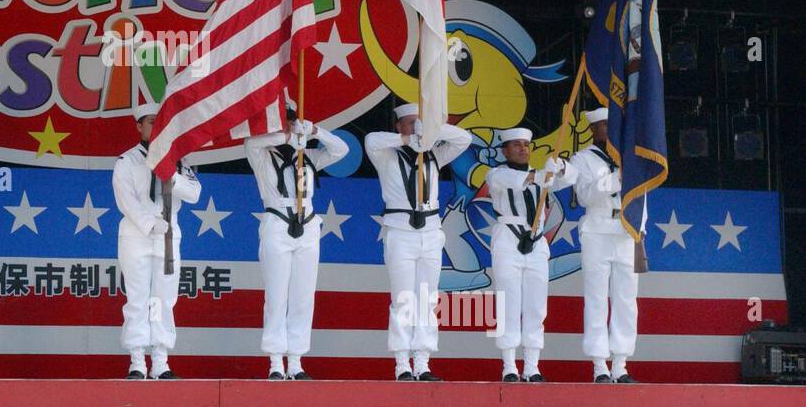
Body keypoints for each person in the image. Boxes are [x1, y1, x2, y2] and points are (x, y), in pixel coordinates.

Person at [365, 103, 471, 381]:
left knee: (426, 299)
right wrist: (407, 139)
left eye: (418, 123)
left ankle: (422, 362)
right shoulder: (386, 155)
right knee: (402, 298)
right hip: (400, 230)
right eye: (410, 123)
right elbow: (370, 140)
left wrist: (434, 129)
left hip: (430, 230)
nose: (415, 128)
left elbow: (464, 139)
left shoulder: (435, 153)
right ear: (398, 126)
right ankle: (402, 363)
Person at [245, 111, 348, 379]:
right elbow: (250, 143)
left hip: (308, 223)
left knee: (303, 296)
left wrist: (314, 132)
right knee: (277, 294)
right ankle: (276, 362)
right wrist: (287, 137)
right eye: (286, 123)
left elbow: (341, 150)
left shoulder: (309, 157)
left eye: (293, 123)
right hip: (277, 220)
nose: (291, 128)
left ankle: (296, 361)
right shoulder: (263, 154)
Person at [111, 103, 201, 380]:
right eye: (151, 122)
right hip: (137, 235)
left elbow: (194, 193)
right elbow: (125, 200)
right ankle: (137, 361)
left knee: (163, 299)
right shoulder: (127, 161)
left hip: (168, 236)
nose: (156, 127)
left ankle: (161, 361)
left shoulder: (178, 161)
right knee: (137, 298)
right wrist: (150, 224)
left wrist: (170, 172)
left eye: (160, 122)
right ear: (139, 126)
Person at [485, 128, 577, 382]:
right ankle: (509, 366)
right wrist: (543, 174)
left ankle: (532, 366)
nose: (523, 149)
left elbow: (570, 179)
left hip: (536, 241)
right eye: (516, 145)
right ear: (505, 150)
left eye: (526, 144)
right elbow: (520, 180)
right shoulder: (496, 173)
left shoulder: (541, 177)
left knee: (536, 306)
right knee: (509, 302)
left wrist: (561, 168)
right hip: (508, 239)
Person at [571, 107, 645, 383]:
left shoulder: (630, 158)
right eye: (604, 126)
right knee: (597, 298)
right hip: (598, 230)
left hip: (627, 230)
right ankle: (599, 365)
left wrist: (641, 227)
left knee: (627, 300)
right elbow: (584, 196)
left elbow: (641, 196)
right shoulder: (583, 160)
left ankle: (621, 364)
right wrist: (614, 180)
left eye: (612, 126)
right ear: (594, 130)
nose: (610, 131)